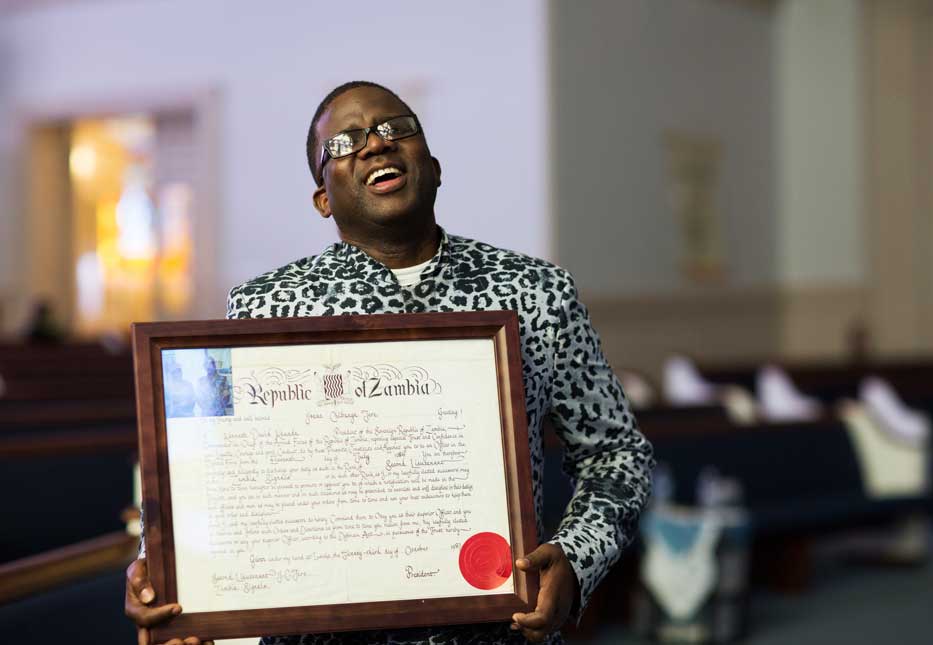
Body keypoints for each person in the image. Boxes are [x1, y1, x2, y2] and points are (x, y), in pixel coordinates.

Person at [125, 81, 654, 645]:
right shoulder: (264, 307)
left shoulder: (534, 293)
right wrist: (169, 575)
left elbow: (616, 455)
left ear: (434, 164)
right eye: (345, 142)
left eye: (395, 128)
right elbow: (213, 478)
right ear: (322, 198)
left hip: (492, 632)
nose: (375, 145)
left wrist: (574, 560)